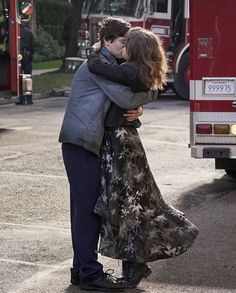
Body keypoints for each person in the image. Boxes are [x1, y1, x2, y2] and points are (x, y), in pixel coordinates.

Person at [87, 27, 199, 288]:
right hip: (128, 143)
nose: (122, 48)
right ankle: (134, 265)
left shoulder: (127, 70)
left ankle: (136, 265)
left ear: (135, 50)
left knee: (129, 207)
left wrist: (93, 51)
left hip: (122, 145)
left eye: (127, 45)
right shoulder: (142, 70)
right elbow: (147, 91)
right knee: (134, 205)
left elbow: (97, 67)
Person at [59, 17, 159, 292]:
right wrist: (151, 94)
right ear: (107, 41)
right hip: (81, 143)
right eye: (122, 42)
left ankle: (81, 271)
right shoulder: (98, 68)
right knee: (88, 210)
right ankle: (90, 273)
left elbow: (126, 98)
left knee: (83, 210)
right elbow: (126, 98)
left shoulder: (110, 65)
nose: (126, 47)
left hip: (85, 143)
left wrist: (139, 109)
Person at [16, 24, 34, 105]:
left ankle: (21, 99)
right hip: (27, 54)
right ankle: (29, 99)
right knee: (28, 77)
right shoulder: (29, 32)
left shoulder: (16, 32)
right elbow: (33, 46)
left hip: (18, 54)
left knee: (20, 77)